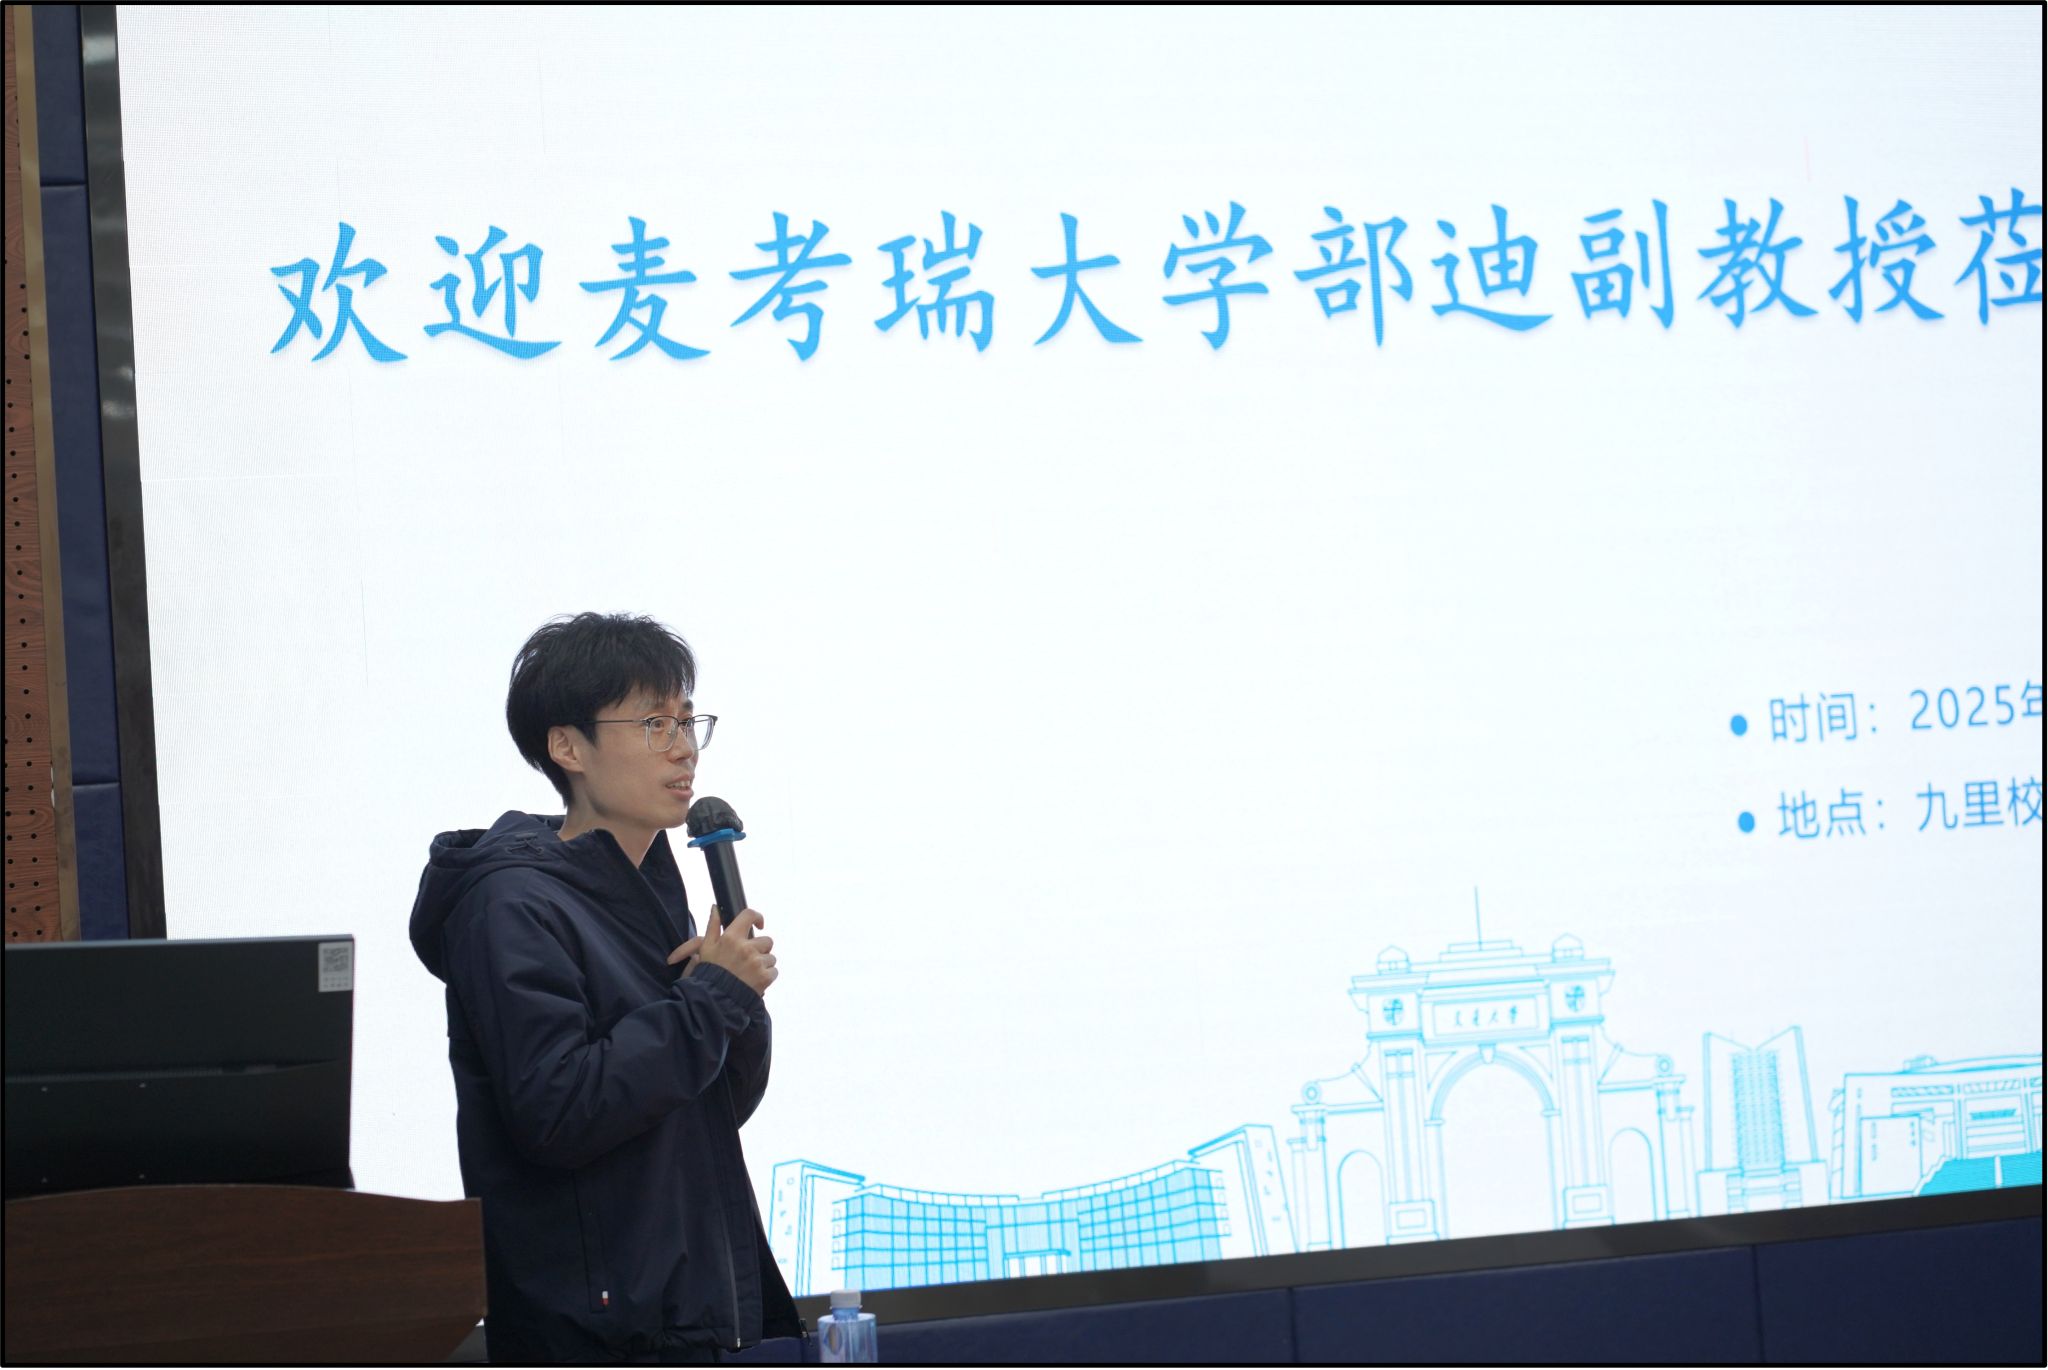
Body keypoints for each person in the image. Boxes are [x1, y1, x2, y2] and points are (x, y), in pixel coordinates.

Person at [409, 612, 800, 1364]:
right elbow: (558, 1111)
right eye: (653, 723)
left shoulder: (648, 886)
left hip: (684, 1313)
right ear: (568, 747)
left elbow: (707, 1110)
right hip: (596, 1334)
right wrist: (709, 1001)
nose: (683, 747)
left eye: (687, 721)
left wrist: (734, 1004)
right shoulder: (512, 903)